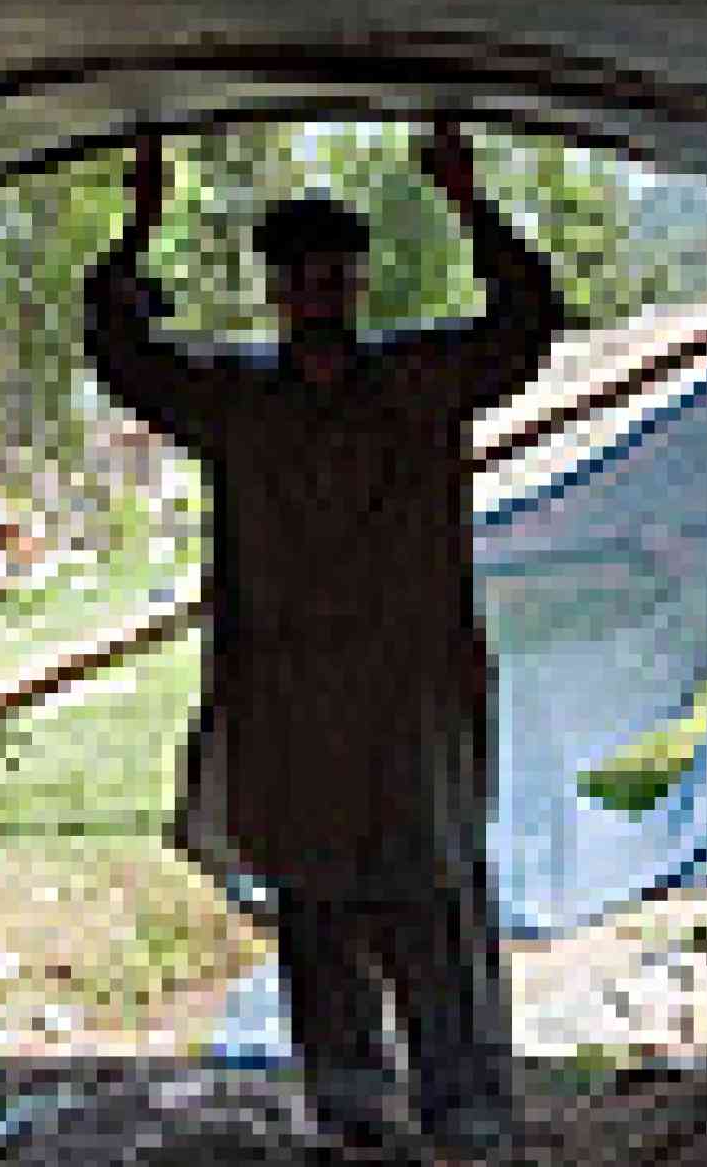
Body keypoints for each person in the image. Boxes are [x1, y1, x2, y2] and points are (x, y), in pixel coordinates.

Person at [83, 120, 568, 1161]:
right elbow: (123, 351)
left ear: (357, 283)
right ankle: (353, 1106)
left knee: (432, 891)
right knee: (316, 907)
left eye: (332, 275)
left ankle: (467, 1103)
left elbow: (528, 323)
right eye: (299, 277)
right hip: (294, 704)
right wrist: (137, 232)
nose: (316, 294)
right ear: (277, 290)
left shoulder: (419, 383)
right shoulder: (236, 400)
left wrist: (468, 202)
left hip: (408, 698)